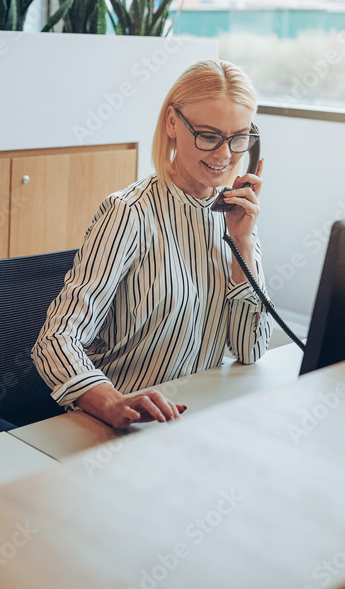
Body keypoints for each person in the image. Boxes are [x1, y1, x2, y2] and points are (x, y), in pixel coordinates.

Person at [32, 59, 272, 430]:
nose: (225, 156)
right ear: (172, 123)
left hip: (191, 418)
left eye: (239, 138)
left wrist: (242, 245)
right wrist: (112, 403)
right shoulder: (129, 214)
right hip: (122, 424)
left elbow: (250, 350)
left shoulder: (235, 217)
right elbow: (55, 341)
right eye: (208, 136)